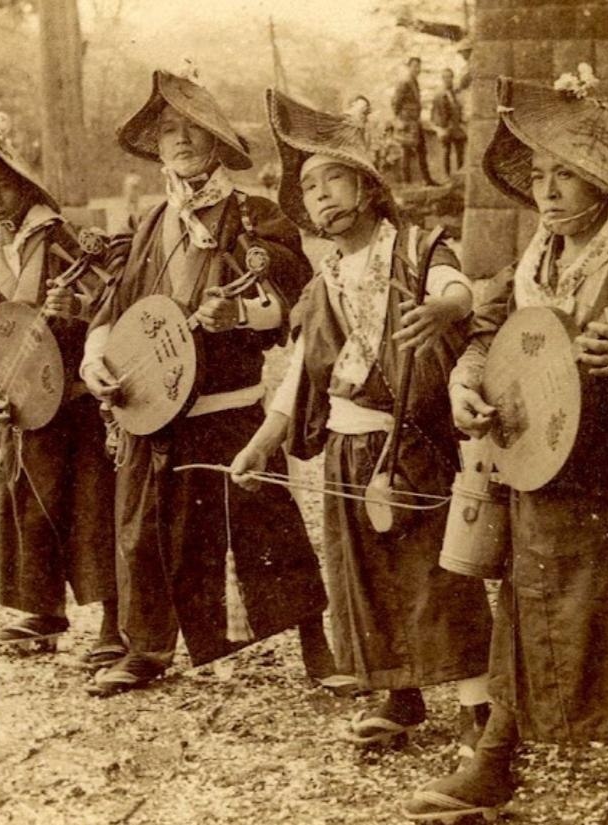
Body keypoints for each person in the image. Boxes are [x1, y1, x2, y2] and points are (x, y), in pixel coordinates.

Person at [402, 66, 608, 825]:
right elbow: (487, 343)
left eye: (566, 175)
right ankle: (495, 759)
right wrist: (465, 388)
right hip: (531, 465)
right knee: (523, 608)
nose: (547, 193)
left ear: (604, 182)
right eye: (541, 177)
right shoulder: (528, 268)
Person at [232, 89, 493, 751]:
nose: (322, 197)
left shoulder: (417, 248)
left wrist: (445, 311)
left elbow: (454, 290)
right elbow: (300, 378)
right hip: (348, 450)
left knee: (439, 574)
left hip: (414, 440)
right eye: (310, 187)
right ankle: (398, 697)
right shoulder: (325, 283)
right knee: (365, 579)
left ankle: (482, 708)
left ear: (370, 187)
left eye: (335, 179)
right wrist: (264, 443)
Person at [80, 70, 340, 695]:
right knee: (144, 525)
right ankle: (146, 647)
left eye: (194, 130)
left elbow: (291, 298)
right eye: (169, 131)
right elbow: (115, 306)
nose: (181, 141)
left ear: (219, 143)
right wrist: (95, 358)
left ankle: (316, 643)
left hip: (228, 406)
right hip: (151, 401)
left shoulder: (254, 215)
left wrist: (243, 313)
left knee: (263, 523)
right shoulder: (149, 220)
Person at [0, 113, 122, 668]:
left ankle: (114, 619)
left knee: (92, 506)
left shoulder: (65, 241)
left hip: (79, 404)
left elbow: (110, 305)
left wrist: (77, 311)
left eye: (3, 187)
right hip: (23, 407)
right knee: (29, 505)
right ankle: (40, 611)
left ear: (25, 186)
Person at [391, 58, 437, 186]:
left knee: (422, 149)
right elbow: (395, 102)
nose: (417, 69)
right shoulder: (404, 82)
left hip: (415, 122)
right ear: (409, 67)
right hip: (407, 122)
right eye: (415, 66)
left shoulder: (414, 82)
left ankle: (427, 180)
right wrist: (400, 119)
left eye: (419, 66)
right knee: (406, 150)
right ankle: (407, 182)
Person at [431, 68, 466, 180]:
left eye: (449, 77)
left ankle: (460, 174)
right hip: (446, 128)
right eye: (445, 77)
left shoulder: (455, 93)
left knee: (460, 151)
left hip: (456, 127)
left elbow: (459, 108)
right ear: (442, 79)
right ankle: (446, 175)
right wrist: (441, 128)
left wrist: (460, 121)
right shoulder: (439, 94)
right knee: (446, 152)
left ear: (452, 78)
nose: (447, 80)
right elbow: (435, 113)